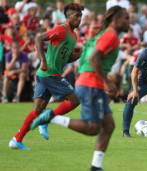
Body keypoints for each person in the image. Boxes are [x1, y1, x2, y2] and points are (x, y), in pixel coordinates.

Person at [31, 6, 130, 171]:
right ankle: (51, 117)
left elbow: (86, 55)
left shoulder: (103, 34)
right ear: (116, 20)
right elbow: (93, 57)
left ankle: (96, 166)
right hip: (92, 84)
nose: (129, 21)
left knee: (109, 126)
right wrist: (107, 81)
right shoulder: (110, 35)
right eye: (126, 18)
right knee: (92, 128)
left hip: (87, 81)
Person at [8, 3, 84, 150]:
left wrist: (76, 56)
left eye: (80, 16)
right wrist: (42, 60)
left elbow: (65, 58)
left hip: (45, 74)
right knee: (75, 100)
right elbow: (38, 38)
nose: (79, 19)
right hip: (49, 74)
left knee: (37, 110)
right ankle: (47, 119)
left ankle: (16, 140)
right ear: (68, 17)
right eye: (76, 16)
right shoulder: (62, 29)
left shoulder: (73, 37)